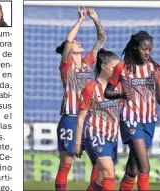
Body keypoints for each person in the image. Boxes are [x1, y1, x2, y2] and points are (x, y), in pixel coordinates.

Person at [104, 30, 160, 191]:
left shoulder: (156, 67)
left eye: (149, 50)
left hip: (149, 119)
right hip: (130, 118)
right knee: (144, 166)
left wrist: (158, 81)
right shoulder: (122, 67)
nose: (147, 53)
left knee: (133, 168)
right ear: (135, 48)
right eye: (144, 49)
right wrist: (121, 94)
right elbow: (107, 92)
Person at [54, 7, 106, 191]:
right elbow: (69, 40)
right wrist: (80, 20)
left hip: (89, 119)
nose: (78, 41)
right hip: (70, 119)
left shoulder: (87, 63)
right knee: (66, 164)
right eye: (76, 43)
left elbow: (101, 40)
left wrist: (95, 18)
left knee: (99, 163)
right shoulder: (66, 66)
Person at [74, 49, 121, 191]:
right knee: (109, 172)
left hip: (112, 137)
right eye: (114, 67)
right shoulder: (91, 88)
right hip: (95, 134)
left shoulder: (118, 87)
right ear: (103, 66)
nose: (117, 70)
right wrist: (77, 142)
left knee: (100, 179)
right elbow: (81, 117)